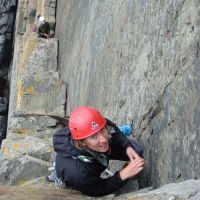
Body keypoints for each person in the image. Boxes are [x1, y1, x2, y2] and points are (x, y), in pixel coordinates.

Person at [53, 106, 144, 196]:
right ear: (83, 142)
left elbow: (109, 125)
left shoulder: (94, 126)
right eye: (93, 136)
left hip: (95, 150)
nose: (104, 139)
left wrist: (127, 146)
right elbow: (99, 189)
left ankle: (114, 133)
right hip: (83, 173)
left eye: (102, 130)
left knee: (136, 151)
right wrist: (123, 175)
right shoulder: (78, 174)